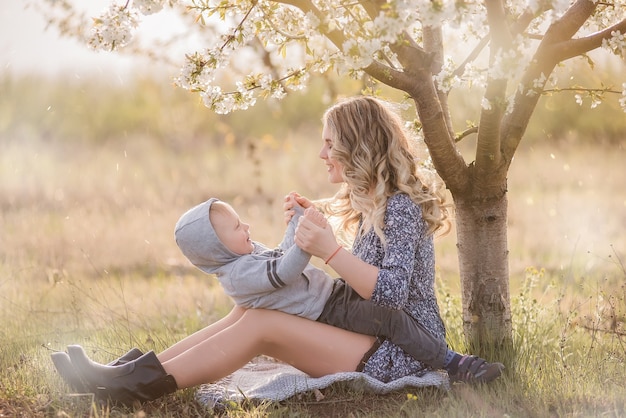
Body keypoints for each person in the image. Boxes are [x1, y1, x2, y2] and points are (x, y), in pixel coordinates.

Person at [51, 95, 504, 406]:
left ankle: (131, 388)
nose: (322, 153)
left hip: (400, 350)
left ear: (357, 147)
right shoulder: (372, 204)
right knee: (246, 314)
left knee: (262, 323)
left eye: (330, 143)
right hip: (371, 334)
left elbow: (390, 298)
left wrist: (328, 250)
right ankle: (123, 373)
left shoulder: (400, 208)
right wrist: (316, 230)